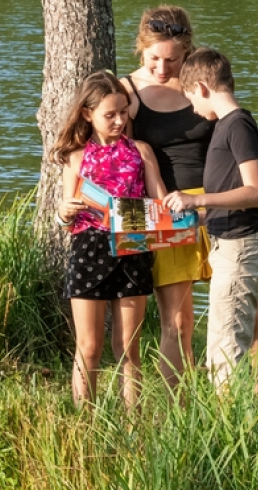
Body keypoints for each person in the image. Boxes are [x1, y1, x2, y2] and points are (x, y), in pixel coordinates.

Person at [52, 70, 166, 410]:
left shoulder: (141, 151)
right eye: (109, 115)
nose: (119, 120)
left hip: (132, 247)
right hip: (89, 248)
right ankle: (84, 421)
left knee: (129, 347)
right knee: (88, 347)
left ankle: (133, 423)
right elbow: (62, 216)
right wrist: (65, 211)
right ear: (88, 114)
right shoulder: (75, 156)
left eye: (124, 111)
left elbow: (159, 205)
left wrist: (155, 215)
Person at [164, 48, 258, 389]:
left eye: (190, 97)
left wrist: (197, 198)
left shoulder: (237, 125)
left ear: (202, 87)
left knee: (226, 352)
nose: (192, 108)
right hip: (227, 243)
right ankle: (247, 425)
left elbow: (256, 191)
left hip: (240, 246)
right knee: (221, 347)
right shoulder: (225, 126)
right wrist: (201, 214)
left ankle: (236, 434)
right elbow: (234, 191)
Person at [121, 6, 215, 390]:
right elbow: (120, 158)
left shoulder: (202, 80)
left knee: (245, 312)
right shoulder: (126, 90)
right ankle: (178, 413)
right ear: (140, 50)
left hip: (215, 200)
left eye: (173, 60)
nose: (163, 68)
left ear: (187, 52)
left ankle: (250, 404)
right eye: (154, 59)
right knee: (178, 321)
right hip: (162, 209)